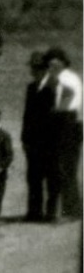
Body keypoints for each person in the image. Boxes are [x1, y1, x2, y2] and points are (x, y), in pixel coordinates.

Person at [44, 47, 83, 220]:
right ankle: (69, 208)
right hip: (63, 122)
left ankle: (73, 209)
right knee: (62, 167)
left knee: (67, 167)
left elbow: (66, 102)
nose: (52, 64)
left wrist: (53, 110)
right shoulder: (58, 77)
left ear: (62, 61)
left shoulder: (67, 78)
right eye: (50, 61)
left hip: (69, 123)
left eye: (55, 60)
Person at [21, 51, 55, 222]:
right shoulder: (31, 88)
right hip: (33, 142)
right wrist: (24, 138)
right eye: (34, 68)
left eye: (38, 68)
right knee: (33, 177)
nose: (35, 72)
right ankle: (34, 212)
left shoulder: (54, 88)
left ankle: (51, 213)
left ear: (45, 69)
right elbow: (27, 116)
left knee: (51, 177)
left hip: (50, 142)